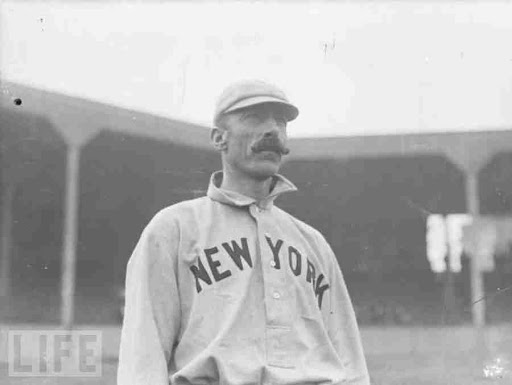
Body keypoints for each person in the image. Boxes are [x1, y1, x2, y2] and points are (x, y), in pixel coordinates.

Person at [117, 80, 370, 385]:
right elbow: (142, 357)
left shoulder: (313, 243)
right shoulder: (174, 229)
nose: (272, 131)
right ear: (219, 138)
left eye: (280, 121)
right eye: (254, 118)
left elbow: (350, 361)